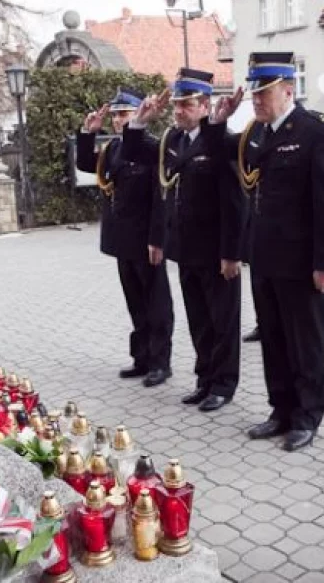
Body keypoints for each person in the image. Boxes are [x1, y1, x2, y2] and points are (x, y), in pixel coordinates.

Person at [212, 52, 324, 451]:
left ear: (289, 91)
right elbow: (224, 159)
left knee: (305, 341)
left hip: (303, 261)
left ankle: (307, 416)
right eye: (255, 93)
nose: (256, 100)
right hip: (265, 258)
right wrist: (220, 119)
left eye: (264, 93)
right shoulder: (258, 133)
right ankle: (281, 410)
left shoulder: (317, 131)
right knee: (273, 338)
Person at [123, 69, 247, 412]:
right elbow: (139, 157)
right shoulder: (172, 141)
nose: (178, 111)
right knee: (199, 321)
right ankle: (204, 379)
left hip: (217, 249)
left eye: (186, 105)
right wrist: (138, 122)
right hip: (186, 248)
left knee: (223, 322)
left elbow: (235, 200)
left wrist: (232, 252)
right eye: (176, 105)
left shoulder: (220, 140)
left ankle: (223, 384)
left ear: (204, 105)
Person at [76, 87, 174, 387]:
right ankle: (141, 358)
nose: (118, 120)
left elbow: (161, 198)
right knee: (135, 302)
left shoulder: (151, 147)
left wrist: (157, 239)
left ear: (138, 113)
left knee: (156, 304)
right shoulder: (113, 150)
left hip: (145, 240)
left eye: (124, 114)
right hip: (122, 241)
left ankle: (161, 362)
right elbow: (84, 164)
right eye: (116, 115)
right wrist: (88, 133)